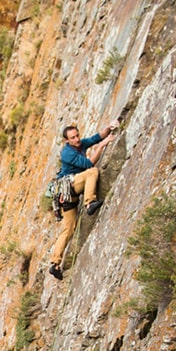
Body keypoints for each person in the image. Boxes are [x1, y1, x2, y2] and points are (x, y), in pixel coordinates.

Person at [48, 120, 118, 280]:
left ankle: (55, 264)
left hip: (66, 197)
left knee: (68, 229)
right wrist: (102, 146)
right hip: (69, 188)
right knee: (92, 172)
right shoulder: (67, 153)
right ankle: (89, 203)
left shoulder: (79, 145)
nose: (77, 139)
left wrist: (109, 127)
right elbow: (88, 164)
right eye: (73, 138)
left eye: (77, 135)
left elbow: (96, 138)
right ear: (67, 141)